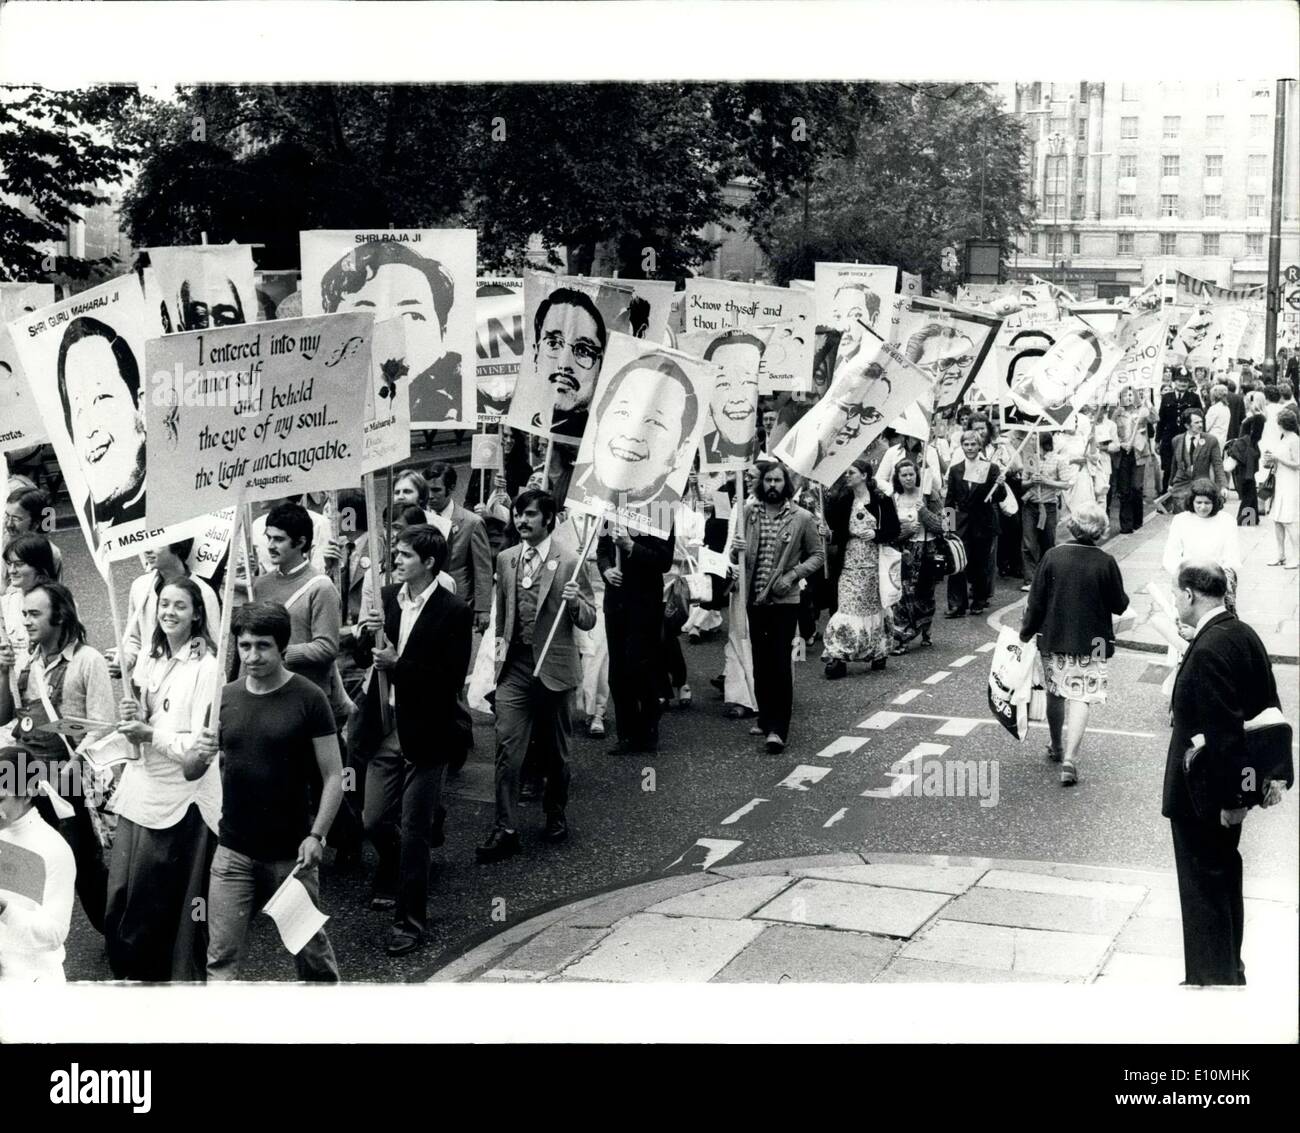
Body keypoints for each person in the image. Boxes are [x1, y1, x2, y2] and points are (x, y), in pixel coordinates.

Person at [190, 602, 343, 981]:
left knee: (310, 954)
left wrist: (317, 836)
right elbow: (191, 771)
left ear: (282, 648)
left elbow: (335, 775)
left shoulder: (309, 698)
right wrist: (199, 753)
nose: (252, 656)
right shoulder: (224, 697)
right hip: (233, 853)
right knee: (221, 957)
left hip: (290, 856)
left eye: (263, 646)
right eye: (244, 646)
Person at [1162, 562, 1286, 986]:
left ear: (1192, 595)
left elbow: (1226, 734)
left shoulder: (1212, 647)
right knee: (1223, 881)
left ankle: (1212, 981)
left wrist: (1235, 801)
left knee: (1203, 891)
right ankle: (1227, 971)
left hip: (1205, 796)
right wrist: (1254, 788)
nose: (1176, 600)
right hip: (1223, 793)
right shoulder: (1240, 633)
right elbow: (1269, 713)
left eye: (1177, 593)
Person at [353, 525, 472, 955]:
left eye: (405, 555)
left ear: (429, 563)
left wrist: (398, 664)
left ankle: (410, 922)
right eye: (397, 554)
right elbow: (363, 656)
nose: (397, 561)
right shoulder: (385, 600)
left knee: (416, 831)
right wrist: (365, 637)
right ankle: (398, 865)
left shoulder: (453, 610)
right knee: (373, 821)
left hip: (427, 734)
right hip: (385, 727)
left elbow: (450, 681)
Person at [104, 578, 221, 981]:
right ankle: (131, 975)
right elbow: (143, 722)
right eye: (164, 604)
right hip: (141, 790)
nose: (169, 612)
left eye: (180, 606)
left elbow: (200, 746)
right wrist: (132, 716)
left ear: (198, 614)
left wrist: (151, 734)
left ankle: (169, 985)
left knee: (164, 904)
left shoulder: (208, 668)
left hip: (180, 799)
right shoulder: (148, 659)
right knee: (123, 896)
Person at [476, 489, 595, 863]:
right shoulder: (506, 559)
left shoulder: (571, 561)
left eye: (529, 515)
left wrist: (575, 601)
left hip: (556, 669)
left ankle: (555, 811)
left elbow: (589, 618)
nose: (521, 521)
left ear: (549, 519)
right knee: (507, 749)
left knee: (556, 753)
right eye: (518, 514)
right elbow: (501, 621)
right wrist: (497, 667)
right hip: (516, 668)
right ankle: (505, 827)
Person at [0, 583, 114, 934]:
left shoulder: (88, 660)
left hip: (67, 779)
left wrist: (73, 767)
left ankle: (117, 938)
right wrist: (3, 673)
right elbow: (6, 717)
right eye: (24, 614)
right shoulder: (26, 661)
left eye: (34, 614)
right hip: (26, 773)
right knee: (17, 851)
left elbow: (103, 726)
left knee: (81, 864)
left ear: (59, 615)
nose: (27, 622)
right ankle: (25, 933)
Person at [1018, 504, 1129, 787]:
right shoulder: (1105, 562)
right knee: (1081, 697)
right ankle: (1070, 757)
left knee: (1056, 693)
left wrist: (1026, 633)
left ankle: (1055, 745)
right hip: (1092, 642)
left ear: (1072, 526)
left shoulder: (1053, 557)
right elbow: (1120, 604)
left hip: (1055, 635)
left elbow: (1036, 601)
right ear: (1102, 532)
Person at [729, 461, 824, 754]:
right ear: (762, 484)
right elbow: (737, 556)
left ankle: (778, 729)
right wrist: (735, 548)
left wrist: (793, 576)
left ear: (786, 485)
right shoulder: (748, 514)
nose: (772, 485)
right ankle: (765, 715)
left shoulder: (802, 518)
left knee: (780, 662)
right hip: (755, 599)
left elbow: (817, 555)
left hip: (785, 600)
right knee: (760, 661)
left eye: (778, 481)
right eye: (768, 480)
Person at [319, 240, 462, 425]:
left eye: (412, 315)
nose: (390, 332)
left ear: (443, 332)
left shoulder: (455, 403)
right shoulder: (322, 404)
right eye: (366, 314)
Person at [570, 353, 699, 513]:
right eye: (623, 412)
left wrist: (628, 539)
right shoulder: (568, 483)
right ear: (598, 422)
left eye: (655, 422)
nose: (632, 435)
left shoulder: (669, 514)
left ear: (681, 452)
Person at [56, 316, 147, 536]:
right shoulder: (89, 518)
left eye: (102, 398)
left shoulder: (176, 503)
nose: (89, 429)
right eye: (78, 409)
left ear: (141, 408)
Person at [248, 501, 342, 705]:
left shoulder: (321, 587)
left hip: (306, 696)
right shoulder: (260, 585)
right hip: (267, 691)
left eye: (279, 539)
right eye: (269, 538)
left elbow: (327, 647)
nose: (270, 546)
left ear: (300, 542)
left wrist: (280, 653)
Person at [0, 744, 76, 983]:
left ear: (28, 792)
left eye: (0, 798)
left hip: (30, 978)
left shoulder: (52, 849)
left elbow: (54, 933)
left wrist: (4, 910)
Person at [598, 519, 674, 756]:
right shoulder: (611, 511)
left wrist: (631, 546)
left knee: (641, 666)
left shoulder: (661, 510)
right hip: (615, 601)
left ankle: (649, 726)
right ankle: (626, 734)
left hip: (645, 602)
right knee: (618, 671)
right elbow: (602, 551)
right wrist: (607, 570)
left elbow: (664, 561)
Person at [821, 457, 900, 678]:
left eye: (851, 472)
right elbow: (836, 532)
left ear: (864, 476)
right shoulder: (842, 500)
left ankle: (877, 651)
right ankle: (838, 655)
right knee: (847, 607)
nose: (847, 476)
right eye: (846, 473)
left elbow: (894, 529)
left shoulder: (881, 500)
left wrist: (876, 534)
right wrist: (828, 534)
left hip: (874, 563)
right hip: (848, 562)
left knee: (872, 608)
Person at [114, 539, 220, 681]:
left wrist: (189, 668)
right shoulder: (139, 587)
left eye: (156, 541)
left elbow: (210, 644)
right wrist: (124, 661)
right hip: (146, 682)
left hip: (184, 684)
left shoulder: (204, 593)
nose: (147, 550)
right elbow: (134, 639)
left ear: (178, 544)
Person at [529, 287, 607, 442]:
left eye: (584, 351)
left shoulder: (599, 441)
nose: (564, 364)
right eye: (553, 343)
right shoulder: (519, 434)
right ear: (536, 354)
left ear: (600, 366)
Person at [423, 462, 493, 633]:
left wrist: (483, 608)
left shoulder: (471, 522)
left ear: (451, 488)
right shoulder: (418, 517)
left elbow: (483, 569)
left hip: (458, 603)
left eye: (436, 490)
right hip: (422, 601)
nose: (430, 496)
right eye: (426, 490)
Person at [945, 429, 1007, 617]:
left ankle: (979, 600)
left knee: (980, 564)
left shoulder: (991, 468)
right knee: (957, 563)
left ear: (979, 446)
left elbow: (999, 497)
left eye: (973, 444)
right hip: (962, 523)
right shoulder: (955, 470)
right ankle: (957, 605)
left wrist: (1001, 485)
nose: (970, 448)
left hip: (983, 522)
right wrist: (948, 526)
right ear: (962, 446)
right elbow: (950, 499)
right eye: (966, 444)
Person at [889, 456, 946, 650]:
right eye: (903, 475)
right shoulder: (893, 498)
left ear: (917, 475)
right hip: (904, 551)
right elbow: (889, 530)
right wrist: (905, 530)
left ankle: (925, 627)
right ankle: (902, 636)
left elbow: (944, 525)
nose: (908, 478)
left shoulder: (930, 496)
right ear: (897, 477)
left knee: (925, 593)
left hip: (928, 550)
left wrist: (924, 512)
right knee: (903, 595)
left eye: (911, 474)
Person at [1162, 480, 1242, 609]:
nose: (1203, 507)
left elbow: (1232, 556)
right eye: (1198, 502)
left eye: (1207, 503)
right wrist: (1186, 578)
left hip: (1216, 582)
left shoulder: (1227, 521)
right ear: (1191, 501)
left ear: (1215, 502)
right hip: (1188, 581)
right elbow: (1170, 556)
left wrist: (1216, 579)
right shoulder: (1181, 520)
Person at [700, 332, 763, 464]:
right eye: (723, 384)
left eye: (749, 382)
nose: (737, 398)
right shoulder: (694, 454)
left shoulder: (772, 452)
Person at [1019, 433, 1068, 593]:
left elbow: (1066, 484)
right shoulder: (1030, 459)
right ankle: (1030, 579)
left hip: (1048, 506)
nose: (1031, 440)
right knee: (1028, 542)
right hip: (1031, 505)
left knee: (1048, 542)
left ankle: (1048, 577)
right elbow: (1022, 483)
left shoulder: (1058, 459)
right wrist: (1030, 482)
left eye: (1034, 438)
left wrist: (1046, 482)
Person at [2, 534, 58, 654]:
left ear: (38, 565)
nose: (11, 570)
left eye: (19, 564)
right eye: (9, 563)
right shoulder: (6, 604)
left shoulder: (59, 602)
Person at [1261, 407, 1300, 568]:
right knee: (1277, 520)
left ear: (1281, 424)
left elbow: (1298, 464)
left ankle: (1296, 556)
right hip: (1281, 483)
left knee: (1289, 521)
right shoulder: (1284, 438)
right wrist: (1270, 459)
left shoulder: (1294, 440)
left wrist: (1277, 458)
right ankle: (1280, 554)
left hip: (1290, 484)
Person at [1168, 408, 1226, 512]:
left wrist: (1223, 486)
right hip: (1181, 487)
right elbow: (1174, 464)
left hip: (1201, 487)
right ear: (1187, 425)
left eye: (1201, 421)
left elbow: (1218, 465)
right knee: (1182, 520)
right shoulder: (1176, 440)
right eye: (1196, 422)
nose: (1200, 425)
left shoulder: (1211, 440)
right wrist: (1170, 483)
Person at [1111, 388, 1151, 534]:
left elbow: (1154, 418)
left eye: (1130, 394)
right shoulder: (1117, 413)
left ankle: (1137, 520)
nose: (1128, 398)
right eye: (1125, 395)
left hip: (1138, 453)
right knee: (1124, 489)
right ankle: (1126, 525)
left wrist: (1149, 404)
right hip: (1122, 453)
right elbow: (1112, 431)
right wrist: (1120, 444)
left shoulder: (1142, 411)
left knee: (1136, 487)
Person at [1158, 369, 1204, 494]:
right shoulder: (1167, 397)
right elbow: (1161, 420)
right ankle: (1166, 497)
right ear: (1174, 381)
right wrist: (1158, 440)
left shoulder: (1194, 398)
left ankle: (1187, 494)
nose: (1182, 384)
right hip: (1169, 438)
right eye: (1179, 381)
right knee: (1168, 468)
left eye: (1185, 381)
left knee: (1186, 466)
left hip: (1187, 438)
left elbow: (1200, 419)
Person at [3, 487, 62, 577]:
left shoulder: (49, 554)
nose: (9, 524)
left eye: (16, 518)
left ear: (35, 524)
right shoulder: (3, 540)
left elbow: (50, 589)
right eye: (7, 516)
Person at [1205, 384, 1231, 449]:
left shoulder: (1214, 408)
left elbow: (1207, 426)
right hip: (1223, 438)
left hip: (1211, 439)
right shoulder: (1226, 408)